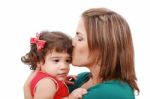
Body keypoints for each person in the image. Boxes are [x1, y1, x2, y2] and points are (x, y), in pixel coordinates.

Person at [68, 7, 140, 99]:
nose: (72, 42)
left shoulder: (112, 93)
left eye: (80, 38)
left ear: (103, 47)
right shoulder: (80, 79)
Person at [21, 31, 87, 99]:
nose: (64, 66)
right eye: (56, 60)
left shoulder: (42, 78)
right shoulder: (47, 83)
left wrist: (61, 82)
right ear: (38, 60)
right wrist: (71, 97)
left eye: (67, 60)